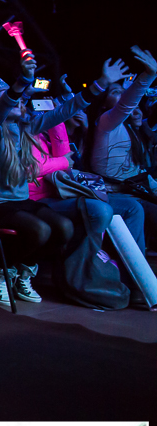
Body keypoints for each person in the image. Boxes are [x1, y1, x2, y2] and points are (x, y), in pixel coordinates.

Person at [0, 51, 126, 306]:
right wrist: (21, 80)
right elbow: (2, 109)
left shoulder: (27, 128)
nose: (20, 100)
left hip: (20, 202)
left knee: (64, 228)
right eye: (10, 97)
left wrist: (101, 83)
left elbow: (65, 111)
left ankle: (23, 271)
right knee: (40, 230)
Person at [28, 120, 148, 306]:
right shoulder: (18, 133)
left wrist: (55, 123)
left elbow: (66, 161)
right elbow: (34, 168)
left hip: (60, 193)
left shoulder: (43, 134)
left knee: (133, 208)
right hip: (37, 201)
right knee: (100, 210)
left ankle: (134, 283)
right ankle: (86, 278)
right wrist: (61, 162)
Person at [88, 47, 157, 251]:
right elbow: (125, 106)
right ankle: (134, 280)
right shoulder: (107, 123)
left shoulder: (131, 129)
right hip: (116, 195)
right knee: (140, 211)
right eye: (116, 92)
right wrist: (148, 76)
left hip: (135, 192)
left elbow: (140, 175)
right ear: (104, 103)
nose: (123, 95)